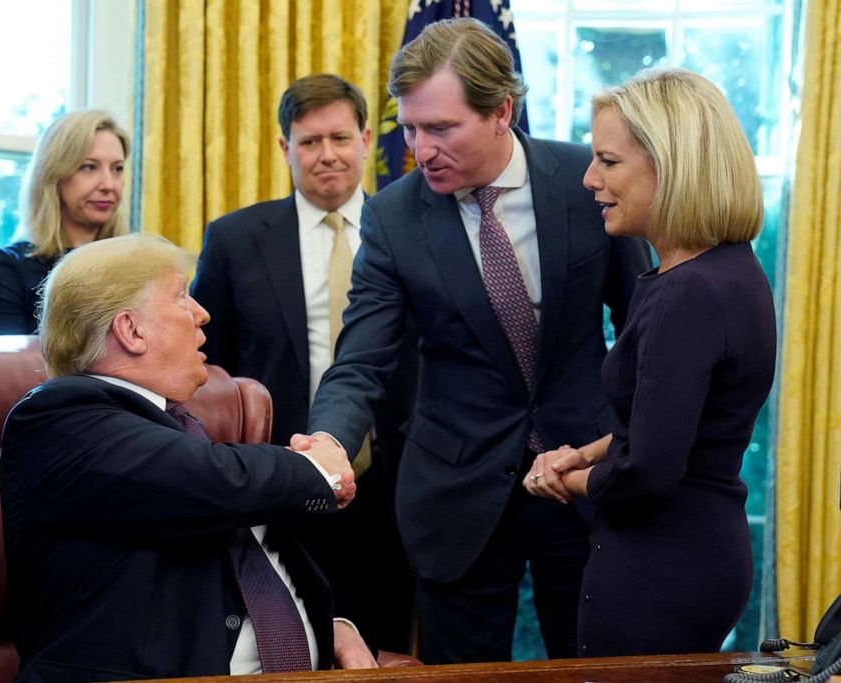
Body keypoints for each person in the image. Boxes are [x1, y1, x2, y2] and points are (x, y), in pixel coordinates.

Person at [295, 18, 652, 664]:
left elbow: (642, 330)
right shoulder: (395, 215)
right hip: (456, 500)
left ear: (501, 112)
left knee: (601, 668)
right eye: (408, 129)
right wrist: (329, 439)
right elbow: (363, 358)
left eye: (440, 128)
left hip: (582, 480)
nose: (420, 148)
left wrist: (630, 444)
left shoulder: (586, 183)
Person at [0, 233, 376, 682]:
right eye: (182, 296)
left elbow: (231, 566)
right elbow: (214, 481)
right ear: (131, 330)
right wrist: (317, 470)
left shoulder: (178, 427)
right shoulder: (58, 418)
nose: (202, 313)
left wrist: (330, 628)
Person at [523, 67, 776, 656]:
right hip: (699, 552)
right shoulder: (729, 267)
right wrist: (584, 453)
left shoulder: (685, 293)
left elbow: (648, 472)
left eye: (608, 162)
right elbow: (662, 426)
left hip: (661, 571)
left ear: (671, 164)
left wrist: (562, 480)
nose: (589, 179)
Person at [190, 73, 417, 653]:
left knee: (390, 644)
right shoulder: (235, 240)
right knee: (293, 642)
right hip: (281, 481)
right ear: (285, 148)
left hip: (399, 482)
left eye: (340, 138)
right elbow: (204, 371)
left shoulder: (418, 231)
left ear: (367, 138)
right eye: (310, 141)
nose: (327, 155)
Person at [0, 109, 129, 334]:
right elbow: (3, 367)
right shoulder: (9, 267)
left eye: (117, 169)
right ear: (54, 175)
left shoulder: (137, 266)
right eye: (89, 167)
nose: (109, 184)